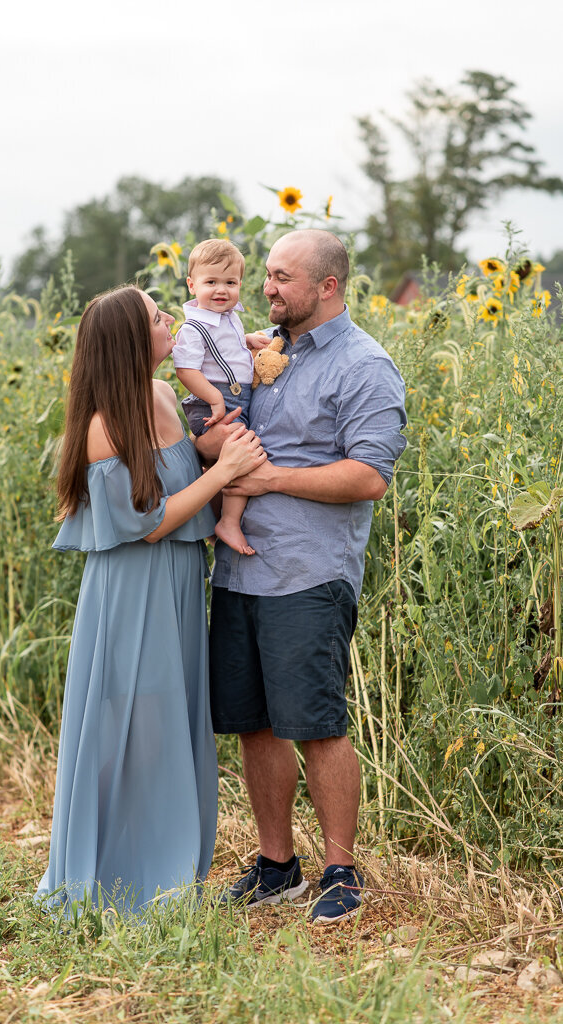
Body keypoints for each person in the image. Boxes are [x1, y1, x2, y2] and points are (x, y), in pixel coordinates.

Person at [197, 229, 407, 925]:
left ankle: (340, 870)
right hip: (240, 569)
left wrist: (269, 478)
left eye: (282, 277)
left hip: (309, 574)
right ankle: (277, 865)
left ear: (327, 287)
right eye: (266, 275)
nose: (266, 287)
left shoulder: (365, 366)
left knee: (316, 724)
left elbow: (369, 476)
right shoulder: (263, 350)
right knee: (256, 725)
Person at [36, 286, 266, 915]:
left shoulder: (165, 395)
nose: (171, 322)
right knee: (125, 720)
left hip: (179, 583)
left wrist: (206, 452)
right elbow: (149, 521)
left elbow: (174, 475)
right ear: (132, 342)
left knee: (171, 721)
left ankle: (165, 867)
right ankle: (115, 870)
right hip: (132, 588)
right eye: (158, 317)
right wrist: (221, 475)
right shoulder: (104, 427)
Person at [174, 238, 265, 557]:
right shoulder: (193, 327)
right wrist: (213, 398)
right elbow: (186, 370)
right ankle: (227, 520)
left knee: (240, 452)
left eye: (230, 282)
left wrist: (247, 339)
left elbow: (227, 346)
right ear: (191, 284)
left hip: (233, 397)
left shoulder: (228, 317)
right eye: (210, 282)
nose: (221, 290)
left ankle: (220, 517)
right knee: (244, 455)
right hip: (213, 402)